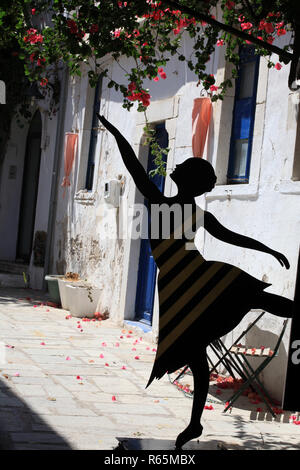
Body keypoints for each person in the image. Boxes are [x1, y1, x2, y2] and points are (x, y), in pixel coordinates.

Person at [97, 114, 293, 449]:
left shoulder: (176, 208)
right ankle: (194, 424)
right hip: (183, 284)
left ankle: (194, 423)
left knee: (250, 303)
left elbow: (233, 238)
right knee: (200, 351)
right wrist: (115, 132)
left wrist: (269, 249)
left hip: (191, 279)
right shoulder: (168, 205)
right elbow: (134, 167)